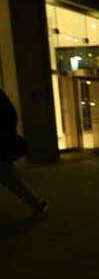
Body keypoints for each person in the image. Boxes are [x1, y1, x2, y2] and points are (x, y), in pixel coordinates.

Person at [0, 87, 48, 220]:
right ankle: (36, 202)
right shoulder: (3, 101)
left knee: (8, 177)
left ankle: (36, 202)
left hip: (2, 145)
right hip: (3, 144)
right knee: (8, 177)